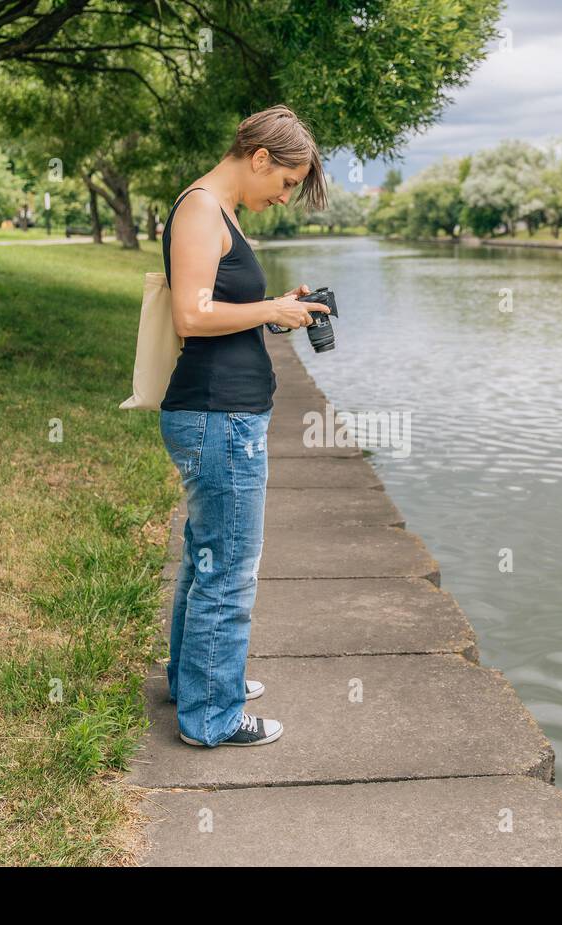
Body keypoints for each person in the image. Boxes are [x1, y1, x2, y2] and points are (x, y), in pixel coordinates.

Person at [160, 105, 332, 747]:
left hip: (221, 415)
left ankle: (193, 680)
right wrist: (271, 308)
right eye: (286, 182)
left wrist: (276, 309)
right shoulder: (203, 207)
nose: (284, 196)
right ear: (259, 157)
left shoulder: (218, 211)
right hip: (217, 417)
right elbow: (192, 316)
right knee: (229, 567)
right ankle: (213, 716)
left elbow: (222, 305)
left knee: (207, 556)